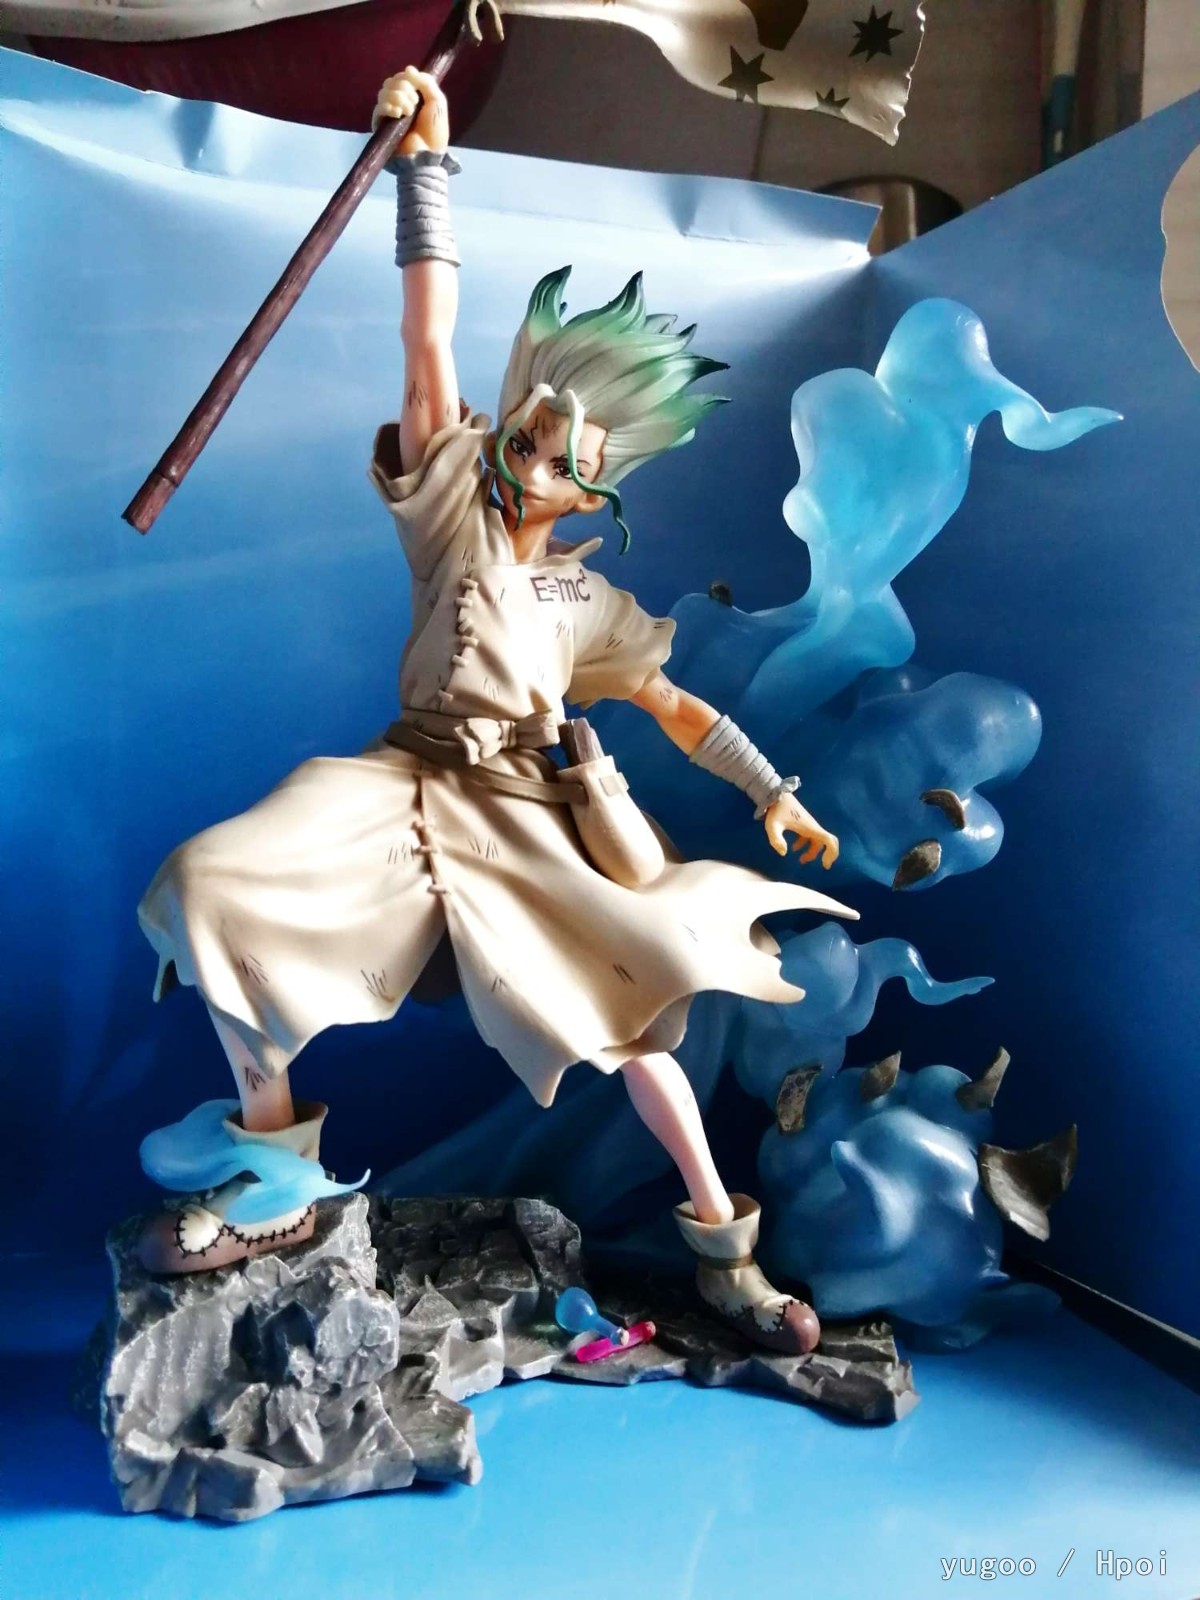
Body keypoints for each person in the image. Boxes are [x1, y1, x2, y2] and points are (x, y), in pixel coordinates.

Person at [134, 67, 857, 1356]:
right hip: (400, 786)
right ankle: (274, 1172)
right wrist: (428, 166)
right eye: (525, 435)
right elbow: (427, 339)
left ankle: (724, 1251)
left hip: (527, 815)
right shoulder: (450, 512)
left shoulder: (588, 602)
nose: (531, 463)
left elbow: (678, 708)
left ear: (592, 491)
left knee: (630, 1016)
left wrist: (772, 792)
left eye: (562, 460)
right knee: (214, 889)